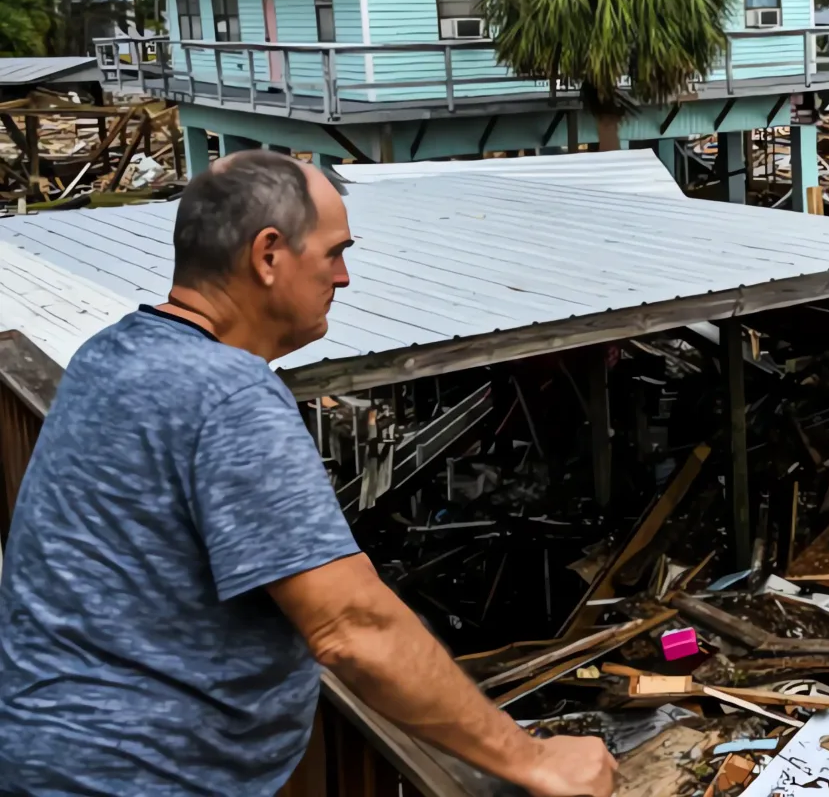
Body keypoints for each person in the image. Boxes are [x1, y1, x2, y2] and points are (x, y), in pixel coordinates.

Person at [0, 151, 614, 797]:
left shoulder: (109, 354)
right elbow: (351, 626)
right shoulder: (227, 394)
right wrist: (532, 759)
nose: (344, 277)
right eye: (333, 253)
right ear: (268, 256)